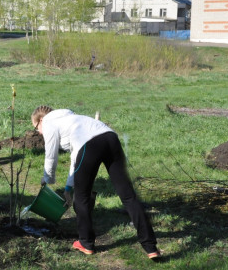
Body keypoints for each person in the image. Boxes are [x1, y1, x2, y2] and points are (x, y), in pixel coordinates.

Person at [31, 106, 161, 259]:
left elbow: (51, 155)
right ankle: (151, 246)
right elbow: (76, 158)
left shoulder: (49, 122)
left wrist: (47, 179)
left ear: (40, 120)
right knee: (128, 196)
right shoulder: (74, 120)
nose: (38, 132)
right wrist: (67, 187)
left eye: (36, 128)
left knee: (81, 198)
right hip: (111, 138)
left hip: (90, 145)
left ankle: (85, 243)